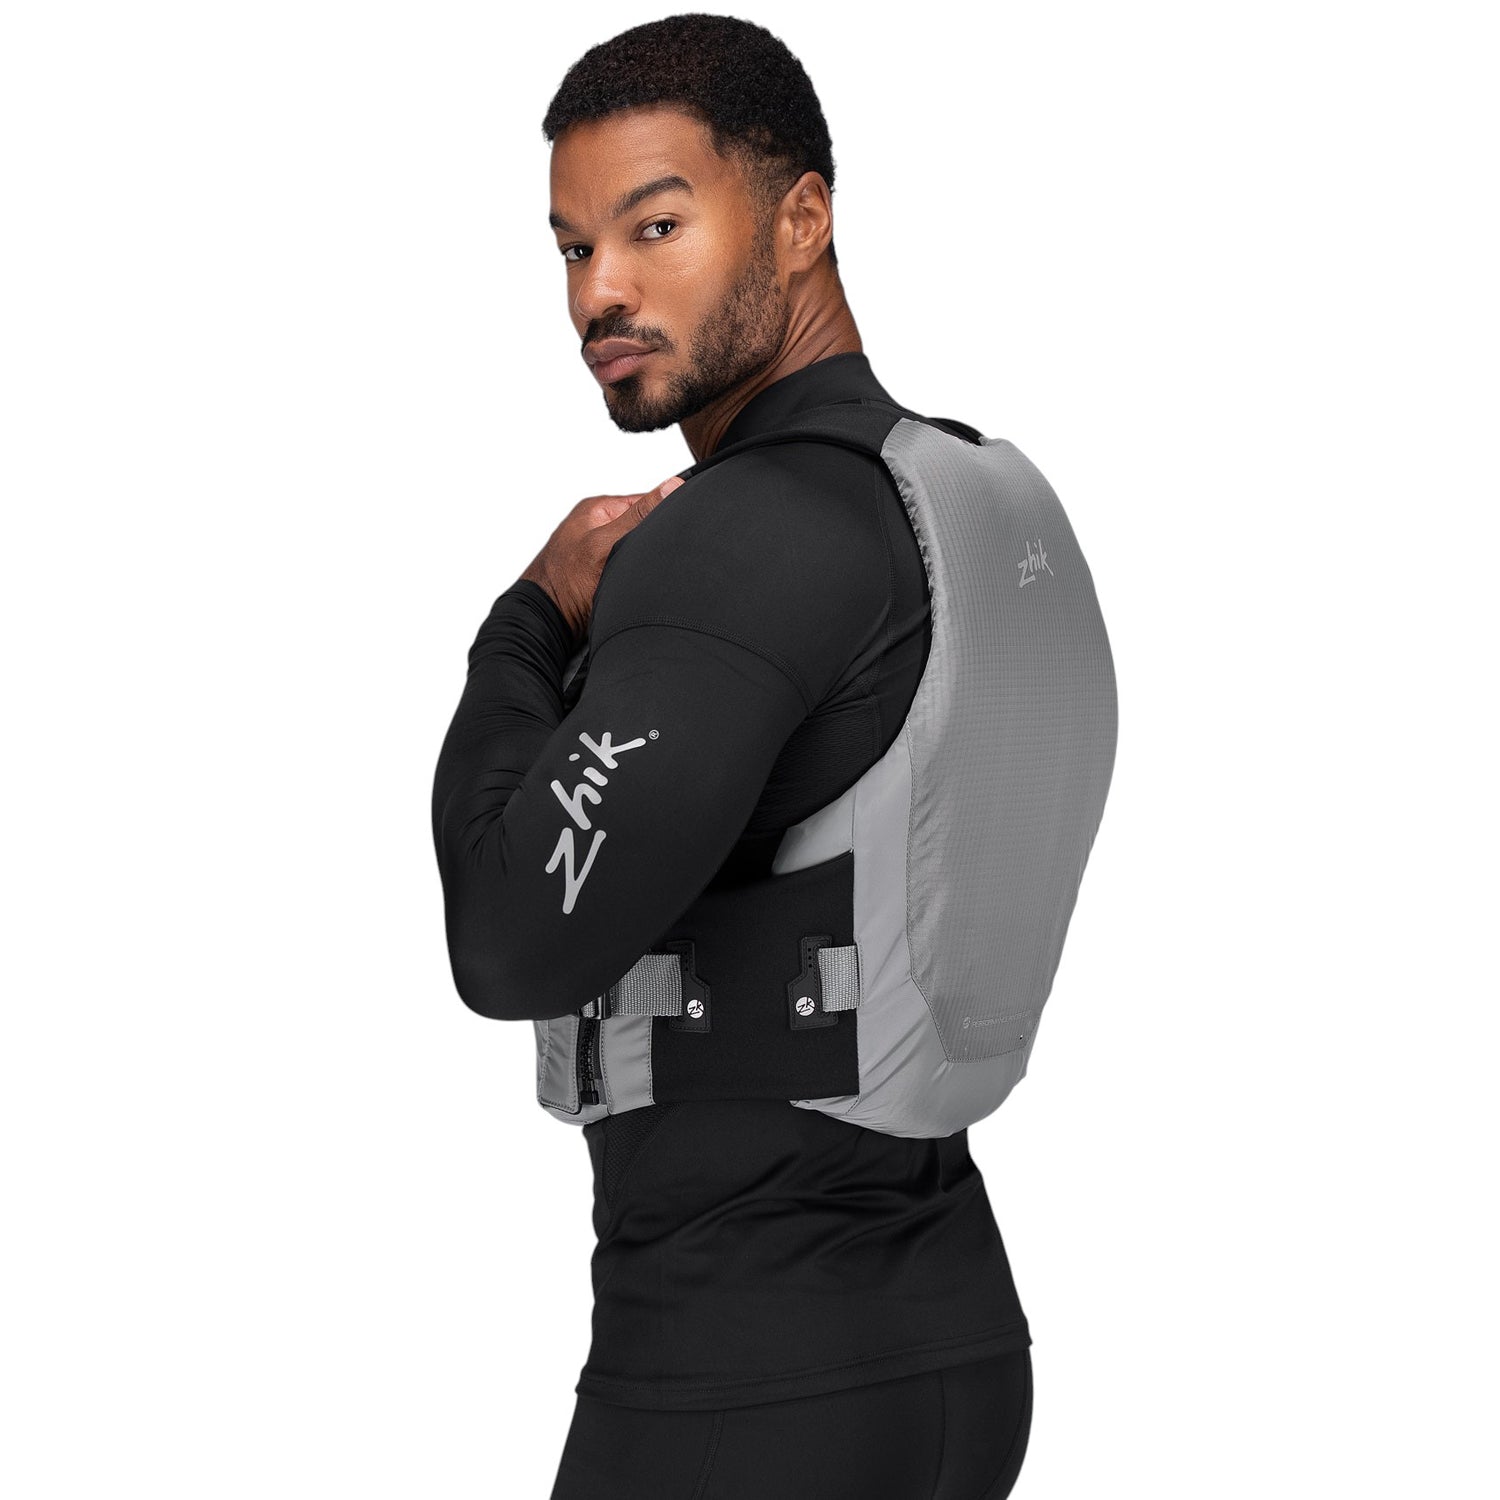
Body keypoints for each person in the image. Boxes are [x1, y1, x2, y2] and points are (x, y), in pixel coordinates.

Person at [431, 15, 1107, 1497]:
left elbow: (508, 938)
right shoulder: (971, 501)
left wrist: (529, 619)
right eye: (571, 247)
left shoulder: (748, 536)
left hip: (741, 1384)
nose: (600, 290)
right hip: (952, 1352)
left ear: (802, 221)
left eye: (656, 227)